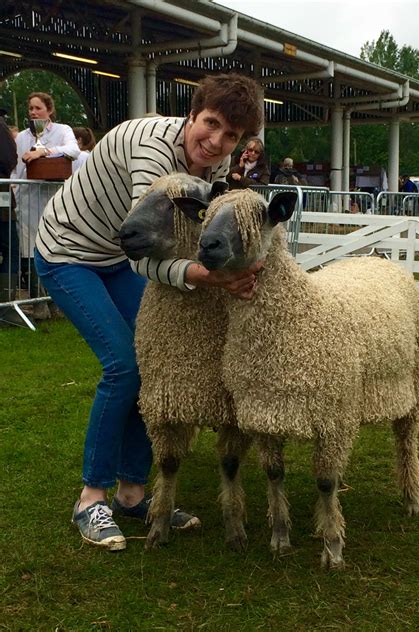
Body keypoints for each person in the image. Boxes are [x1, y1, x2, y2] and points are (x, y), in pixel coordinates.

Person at [34, 73, 264, 552]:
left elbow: (203, 229)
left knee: (154, 364)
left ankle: (134, 492)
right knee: (124, 365)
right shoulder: (153, 154)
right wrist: (207, 276)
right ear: (192, 115)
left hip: (115, 261)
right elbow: (143, 251)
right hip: (68, 252)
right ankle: (91, 497)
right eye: (211, 124)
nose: (216, 142)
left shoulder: (214, 168)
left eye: (231, 137)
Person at [11, 92, 80, 300]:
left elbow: (73, 150)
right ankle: (37, 300)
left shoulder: (63, 131)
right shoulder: (22, 136)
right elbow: (15, 168)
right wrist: (13, 188)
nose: (33, 112)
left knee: (54, 248)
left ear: (49, 110)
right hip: (27, 201)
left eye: (38, 108)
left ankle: (57, 299)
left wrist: (43, 152)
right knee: (30, 250)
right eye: (31, 108)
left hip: (53, 200)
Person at [0, 108, 19, 324]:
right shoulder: (0, 126)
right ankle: (5, 309)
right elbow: (7, 159)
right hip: (1, 200)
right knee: (10, 249)